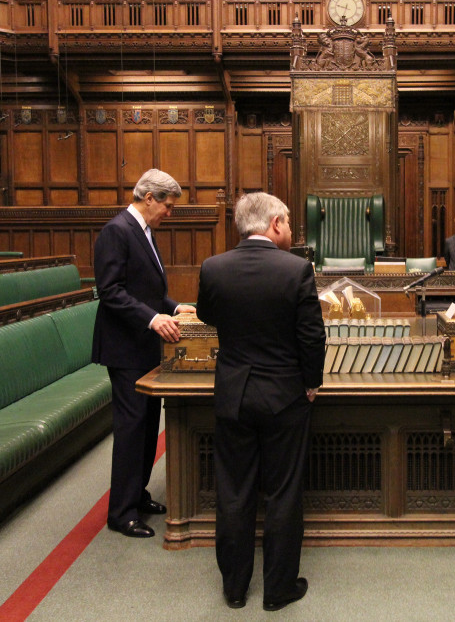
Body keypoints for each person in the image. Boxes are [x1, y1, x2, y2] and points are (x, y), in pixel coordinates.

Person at [196, 192, 326, 612]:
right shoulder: (297, 269)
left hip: (233, 392)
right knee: (283, 493)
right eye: (287, 222)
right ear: (273, 224)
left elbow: (205, 315)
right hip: (284, 395)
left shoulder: (213, 268)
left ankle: (234, 588)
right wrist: (312, 383)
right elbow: (311, 336)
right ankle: (278, 590)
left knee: (234, 491)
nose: (289, 229)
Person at [92, 168, 193, 539]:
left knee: (149, 426)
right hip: (125, 348)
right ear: (149, 197)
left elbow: (146, 289)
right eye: (168, 205)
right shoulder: (116, 231)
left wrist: (173, 305)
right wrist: (153, 319)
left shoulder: (144, 231)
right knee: (131, 429)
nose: (170, 213)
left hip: (145, 347)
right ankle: (121, 512)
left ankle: (138, 493)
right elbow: (111, 291)